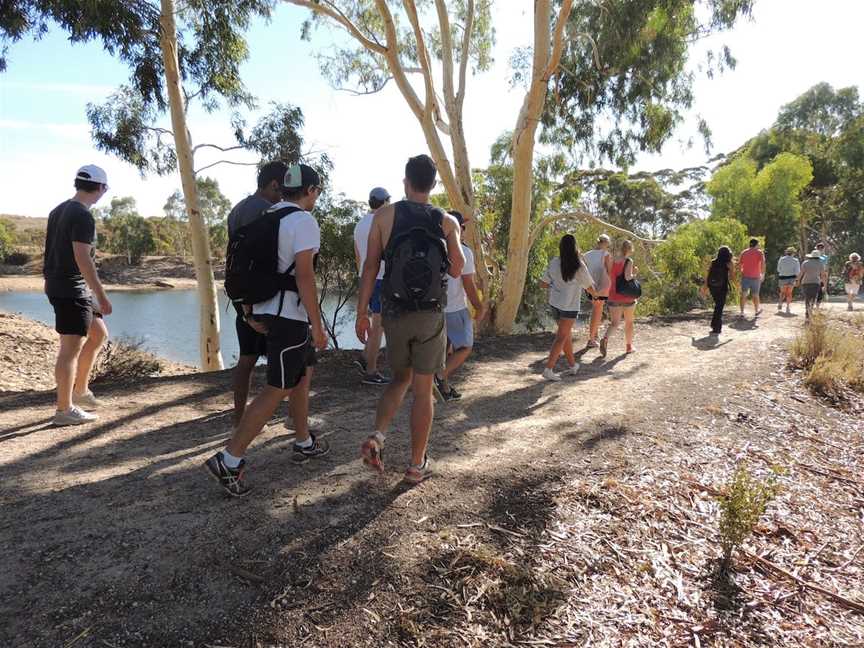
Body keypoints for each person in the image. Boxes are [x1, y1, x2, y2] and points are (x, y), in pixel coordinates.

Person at [205, 164, 329, 497]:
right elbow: (304, 276)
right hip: (290, 316)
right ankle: (229, 460)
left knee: (301, 375)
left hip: (265, 310)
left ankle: (303, 442)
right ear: (311, 190)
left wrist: (248, 312)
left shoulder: (267, 217)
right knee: (277, 387)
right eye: (317, 192)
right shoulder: (303, 221)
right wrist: (318, 325)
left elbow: (245, 266)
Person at [355, 154, 465, 484]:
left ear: (405, 182)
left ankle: (377, 437)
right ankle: (416, 465)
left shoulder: (385, 215)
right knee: (422, 389)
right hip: (430, 314)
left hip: (394, 311)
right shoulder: (447, 221)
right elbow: (458, 267)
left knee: (399, 379)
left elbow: (371, 266)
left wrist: (362, 313)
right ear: (433, 185)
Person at [44, 165, 112, 426]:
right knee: (70, 349)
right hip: (71, 288)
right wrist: (101, 295)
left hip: (63, 286)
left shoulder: (58, 210)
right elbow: (83, 258)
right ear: (101, 188)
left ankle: (81, 392)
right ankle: (64, 409)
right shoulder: (83, 216)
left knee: (98, 334)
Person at [227, 161, 288, 426]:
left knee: (247, 359)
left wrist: (243, 306)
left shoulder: (238, 208)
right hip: (263, 298)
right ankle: (289, 421)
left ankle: (240, 416)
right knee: (286, 360)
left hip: (241, 296)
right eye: (283, 187)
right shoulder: (267, 211)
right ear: (275, 184)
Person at [435, 210, 485, 400]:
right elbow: (468, 284)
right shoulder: (463, 251)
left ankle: (444, 389)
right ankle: (439, 377)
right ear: (457, 228)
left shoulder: (435, 247)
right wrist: (479, 307)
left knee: (444, 350)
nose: (463, 230)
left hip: (434, 309)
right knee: (464, 347)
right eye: (462, 226)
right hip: (455, 308)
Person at [540, 234, 597, 381]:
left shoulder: (554, 262)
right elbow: (590, 288)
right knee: (561, 337)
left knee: (565, 336)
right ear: (575, 247)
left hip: (555, 304)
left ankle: (572, 365)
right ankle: (548, 369)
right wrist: (599, 295)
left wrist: (556, 285)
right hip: (569, 307)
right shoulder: (578, 265)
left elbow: (543, 284)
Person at [353, 187, 391, 385]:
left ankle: (364, 357)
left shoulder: (360, 224)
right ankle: (371, 371)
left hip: (365, 277)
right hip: (381, 277)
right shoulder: (383, 222)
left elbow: (358, 255)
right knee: (378, 325)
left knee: (378, 323)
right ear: (384, 202)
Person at [599, 240, 638, 357]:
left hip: (613, 296)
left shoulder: (612, 260)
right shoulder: (629, 261)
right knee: (629, 322)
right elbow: (627, 277)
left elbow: (609, 274)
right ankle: (629, 346)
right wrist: (635, 273)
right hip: (627, 297)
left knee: (614, 323)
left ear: (621, 248)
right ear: (630, 249)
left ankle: (605, 338)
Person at [582, 234, 613, 348]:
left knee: (595, 309)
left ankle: (594, 335)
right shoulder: (606, 254)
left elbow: (583, 271)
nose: (608, 246)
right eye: (608, 243)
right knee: (597, 310)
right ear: (605, 243)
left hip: (589, 286)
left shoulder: (586, 255)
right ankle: (591, 339)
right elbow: (610, 273)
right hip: (601, 287)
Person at [703, 246, 734, 334]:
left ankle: (715, 325)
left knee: (718, 306)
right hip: (722, 287)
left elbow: (707, 275)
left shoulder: (713, 262)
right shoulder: (729, 263)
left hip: (712, 286)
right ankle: (716, 327)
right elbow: (732, 277)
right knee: (719, 307)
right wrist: (736, 285)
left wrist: (705, 286)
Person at [796, 250, 828, 321]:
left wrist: (797, 281)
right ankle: (810, 313)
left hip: (805, 282)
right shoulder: (820, 263)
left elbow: (801, 273)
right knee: (813, 298)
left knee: (807, 298)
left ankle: (807, 314)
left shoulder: (805, 263)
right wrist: (825, 286)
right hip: (816, 282)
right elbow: (823, 275)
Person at [737, 238, 765, 317]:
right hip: (756, 277)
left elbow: (739, 264)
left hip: (745, 276)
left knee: (744, 294)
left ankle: (742, 312)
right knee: (755, 294)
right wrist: (762, 274)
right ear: (756, 244)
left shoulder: (744, 252)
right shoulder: (759, 252)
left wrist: (741, 272)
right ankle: (756, 311)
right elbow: (763, 263)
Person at [776, 247, 801, 314]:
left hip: (782, 277)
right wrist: (797, 279)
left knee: (782, 292)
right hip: (792, 278)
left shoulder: (781, 259)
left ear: (786, 252)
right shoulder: (795, 260)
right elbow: (797, 271)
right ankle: (788, 307)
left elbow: (778, 269)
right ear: (793, 253)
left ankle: (780, 303)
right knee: (789, 293)